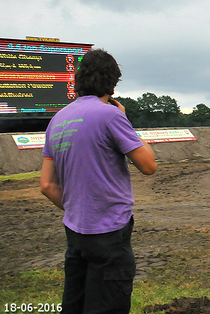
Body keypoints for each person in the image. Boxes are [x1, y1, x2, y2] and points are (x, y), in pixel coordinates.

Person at [40, 49, 157, 314]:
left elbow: (46, 185)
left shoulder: (57, 120)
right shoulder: (111, 116)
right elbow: (149, 166)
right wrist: (125, 120)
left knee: (76, 304)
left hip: (75, 232)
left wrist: (77, 209)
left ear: (79, 80)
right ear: (112, 84)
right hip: (110, 233)